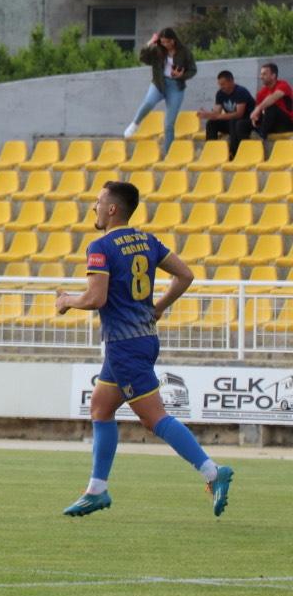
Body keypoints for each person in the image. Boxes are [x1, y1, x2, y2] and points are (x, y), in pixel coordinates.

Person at [56, 181, 235, 517]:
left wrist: (67, 301)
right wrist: (159, 307)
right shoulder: (147, 241)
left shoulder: (100, 247)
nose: (94, 207)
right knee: (101, 408)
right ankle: (97, 489)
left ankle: (213, 472)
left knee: (154, 418)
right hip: (141, 338)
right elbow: (185, 275)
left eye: (99, 201)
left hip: (125, 345)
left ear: (112, 209)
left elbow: (96, 298)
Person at [125, 27, 195, 155]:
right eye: (162, 42)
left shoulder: (184, 51)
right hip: (159, 83)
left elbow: (193, 70)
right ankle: (135, 124)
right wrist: (150, 43)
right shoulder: (157, 49)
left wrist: (182, 75)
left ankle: (169, 154)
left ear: (173, 40)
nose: (165, 44)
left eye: (167, 42)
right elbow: (143, 58)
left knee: (169, 124)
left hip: (176, 87)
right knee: (148, 102)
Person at [199, 70, 257, 160]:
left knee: (234, 121)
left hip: (247, 121)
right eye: (219, 84)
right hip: (232, 122)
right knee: (211, 123)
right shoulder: (220, 94)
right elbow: (216, 112)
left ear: (231, 81)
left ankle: (233, 153)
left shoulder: (241, 91)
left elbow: (239, 114)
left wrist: (217, 116)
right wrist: (208, 114)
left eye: (223, 84)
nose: (221, 87)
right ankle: (211, 152)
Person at [242, 61, 293, 148]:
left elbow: (273, 98)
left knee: (270, 107)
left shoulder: (283, 85)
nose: (261, 77)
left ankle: (261, 136)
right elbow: (257, 111)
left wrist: (258, 109)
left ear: (273, 76)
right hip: (271, 124)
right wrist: (255, 117)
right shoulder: (261, 93)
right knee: (241, 124)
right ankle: (243, 150)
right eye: (261, 74)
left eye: (264, 74)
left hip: (287, 123)